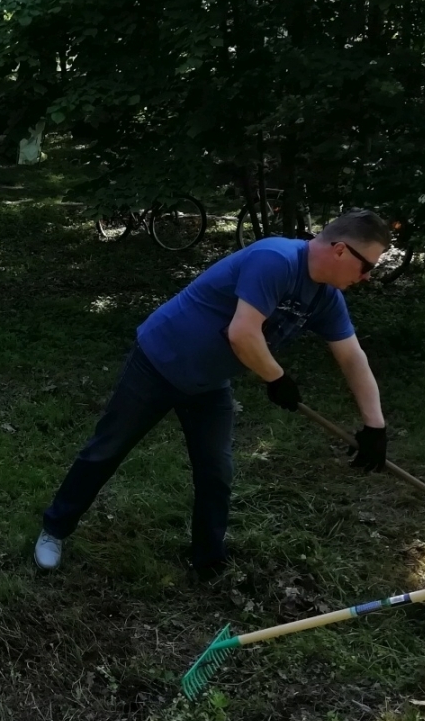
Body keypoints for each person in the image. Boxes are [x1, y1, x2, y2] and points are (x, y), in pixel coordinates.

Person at [33, 210, 392, 575]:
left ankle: (208, 558)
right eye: (367, 267)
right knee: (106, 450)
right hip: (159, 361)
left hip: (208, 383)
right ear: (341, 251)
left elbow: (352, 357)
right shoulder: (276, 259)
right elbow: (243, 333)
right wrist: (277, 378)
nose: (365, 278)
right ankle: (54, 530)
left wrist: (374, 426)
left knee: (216, 471)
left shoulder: (325, 298)